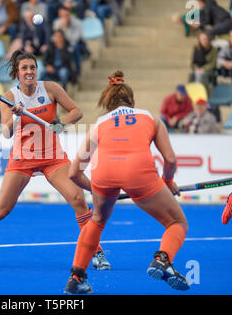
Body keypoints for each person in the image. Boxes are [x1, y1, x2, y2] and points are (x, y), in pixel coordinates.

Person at [0, 50, 111, 270]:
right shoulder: (10, 98)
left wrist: (59, 125)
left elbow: (76, 112)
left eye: (32, 67)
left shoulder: (50, 88)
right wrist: (17, 116)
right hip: (23, 158)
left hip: (53, 157)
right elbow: (5, 132)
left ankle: (96, 253)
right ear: (17, 72)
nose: (29, 71)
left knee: (78, 200)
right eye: (24, 68)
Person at [63, 70, 190, 294]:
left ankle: (76, 277)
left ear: (108, 104)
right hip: (139, 171)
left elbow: (74, 173)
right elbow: (170, 159)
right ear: (133, 102)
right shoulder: (151, 118)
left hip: (103, 173)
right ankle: (163, 259)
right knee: (177, 222)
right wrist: (168, 181)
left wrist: (97, 189)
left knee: (97, 220)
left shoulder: (99, 124)